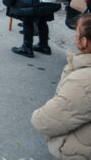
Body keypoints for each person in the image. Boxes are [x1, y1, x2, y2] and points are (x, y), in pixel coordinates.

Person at [31, 14, 91, 159]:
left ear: (84, 41)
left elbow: (44, 121)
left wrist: (73, 66)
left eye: (76, 34)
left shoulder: (82, 81)